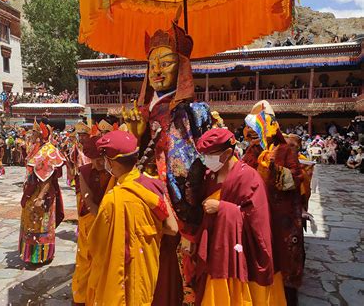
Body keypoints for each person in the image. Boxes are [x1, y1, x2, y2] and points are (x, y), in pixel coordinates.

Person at [122, 18, 211, 305]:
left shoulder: (193, 112)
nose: (157, 70)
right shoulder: (142, 110)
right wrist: (134, 137)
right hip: (146, 201)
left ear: (183, 67)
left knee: (175, 275)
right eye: (152, 64)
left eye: (167, 62)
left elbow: (191, 165)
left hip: (175, 208)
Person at [192, 128, 285, 305]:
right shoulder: (210, 175)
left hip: (240, 252)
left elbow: (257, 220)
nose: (205, 160)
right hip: (217, 245)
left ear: (227, 152)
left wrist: (222, 208)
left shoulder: (249, 177)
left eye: (209, 155)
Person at [86, 130, 177, 305]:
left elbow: (96, 245)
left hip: (119, 274)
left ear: (111, 162)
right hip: (145, 270)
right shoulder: (155, 186)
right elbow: (172, 229)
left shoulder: (113, 199)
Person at [245, 100, 304, 306]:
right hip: (258, 210)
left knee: (285, 258)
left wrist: (272, 169)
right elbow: (243, 171)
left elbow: (297, 177)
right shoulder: (253, 149)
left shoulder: (285, 149)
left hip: (282, 215)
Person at [72, 135, 113, 305]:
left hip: (107, 220)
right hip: (91, 220)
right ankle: (81, 297)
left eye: (102, 160)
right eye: (95, 160)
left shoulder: (114, 173)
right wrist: (99, 217)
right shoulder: (84, 171)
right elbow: (87, 200)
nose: (99, 164)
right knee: (86, 259)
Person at [19, 117, 65, 264]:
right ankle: (29, 253)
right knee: (30, 222)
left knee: (41, 224)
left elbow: (47, 178)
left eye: (33, 132)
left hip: (42, 195)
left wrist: (40, 197)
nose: (30, 135)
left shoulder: (48, 150)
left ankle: (40, 255)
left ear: (39, 134)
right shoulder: (35, 149)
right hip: (31, 191)